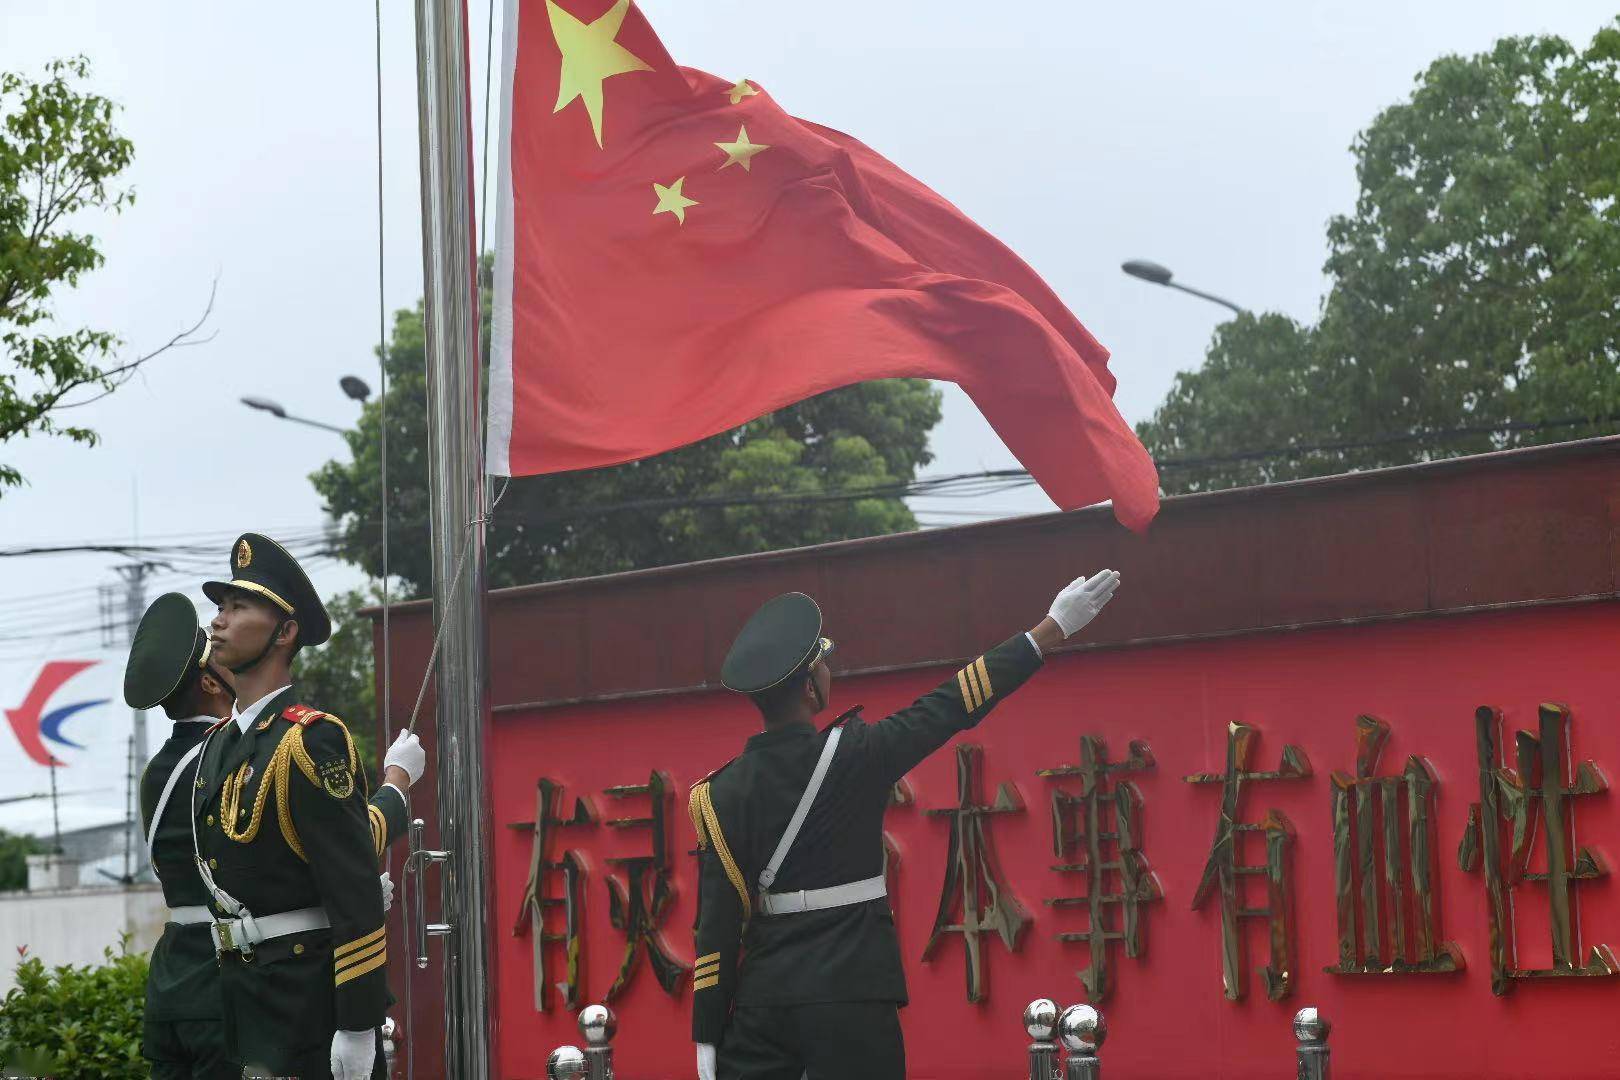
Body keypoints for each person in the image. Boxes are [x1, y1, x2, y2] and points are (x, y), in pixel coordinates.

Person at [689, 569, 1122, 1080]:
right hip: (852, 997)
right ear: (810, 688)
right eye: (824, 665)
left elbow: (715, 929)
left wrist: (707, 1037)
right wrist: (1051, 629)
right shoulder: (856, 754)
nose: (829, 672)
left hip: (763, 1008)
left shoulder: (717, 794)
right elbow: (952, 702)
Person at [191, 533, 426, 1080]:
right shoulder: (219, 745)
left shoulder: (310, 740)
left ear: (285, 632)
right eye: (220, 607)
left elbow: (354, 889)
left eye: (239, 606)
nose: (219, 621)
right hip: (244, 1001)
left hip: (306, 1005)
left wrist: (358, 1024)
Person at [126, 592, 238, 1078]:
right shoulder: (230, 755)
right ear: (212, 682)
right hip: (220, 978)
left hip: (171, 979)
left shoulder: (156, 771)